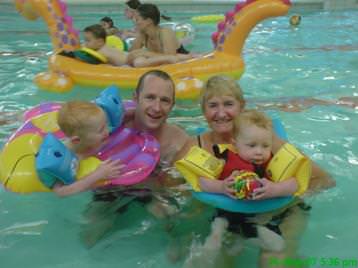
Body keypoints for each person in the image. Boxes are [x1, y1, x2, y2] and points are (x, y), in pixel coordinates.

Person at [178, 75, 335, 268]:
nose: (221, 113)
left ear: (241, 106)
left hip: (280, 211)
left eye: (228, 104)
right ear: (203, 110)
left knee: (273, 261)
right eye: (212, 105)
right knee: (213, 261)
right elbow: (176, 189)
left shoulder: (266, 141)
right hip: (225, 216)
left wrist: (277, 195)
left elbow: (323, 179)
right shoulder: (194, 146)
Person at [81, 70, 190, 247]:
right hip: (109, 189)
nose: (156, 107)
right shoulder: (111, 125)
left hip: (152, 189)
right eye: (150, 97)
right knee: (90, 235)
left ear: (172, 105)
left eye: (165, 100)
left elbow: (180, 186)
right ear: (136, 97)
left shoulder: (179, 141)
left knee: (174, 223)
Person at [52, 101, 123, 197]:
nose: (107, 131)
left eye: (106, 124)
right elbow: (61, 192)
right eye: (101, 130)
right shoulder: (66, 158)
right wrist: (98, 174)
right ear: (77, 140)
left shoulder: (89, 135)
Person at [82, 24, 192, 67]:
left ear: (100, 41)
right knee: (152, 57)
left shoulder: (100, 52)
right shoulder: (106, 46)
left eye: (87, 41)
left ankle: (168, 58)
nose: (85, 44)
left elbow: (106, 66)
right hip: (134, 55)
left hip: (132, 60)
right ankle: (191, 57)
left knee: (141, 63)